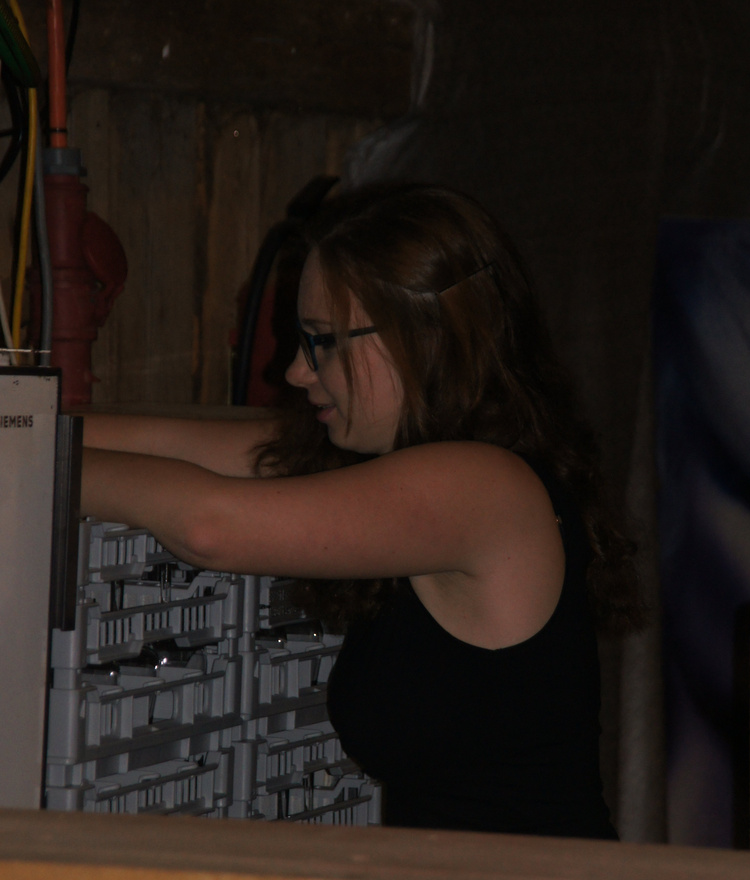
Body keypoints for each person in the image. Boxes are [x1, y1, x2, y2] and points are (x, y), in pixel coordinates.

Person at [81, 183, 634, 839]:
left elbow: (210, 525)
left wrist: (28, 459)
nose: (296, 371)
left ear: (422, 336)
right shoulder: (423, 466)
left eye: (323, 341)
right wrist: (23, 422)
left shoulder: (484, 487)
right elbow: (162, 441)